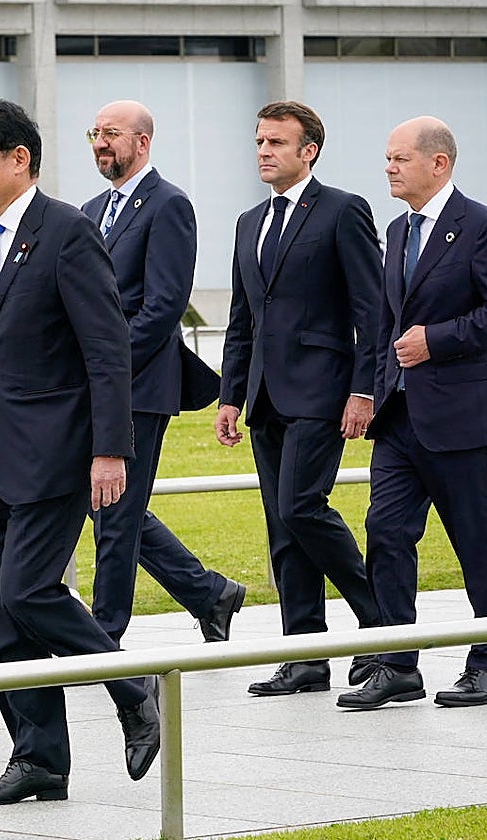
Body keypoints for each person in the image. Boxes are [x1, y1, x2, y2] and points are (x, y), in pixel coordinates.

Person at [0, 98, 159, 806]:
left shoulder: (67, 232)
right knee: (7, 616)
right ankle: (39, 760)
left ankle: (131, 685)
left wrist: (110, 450)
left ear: (18, 158)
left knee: (27, 590)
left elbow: (107, 348)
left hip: (56, 452)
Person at [216, 101, 382, 697]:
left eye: (277, 143)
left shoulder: (343, 210)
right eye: (260, 141)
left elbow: (372, 309)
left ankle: (382, 627)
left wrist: (364, 388)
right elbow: (242, 317)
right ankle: (305, 654)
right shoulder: (247, 222)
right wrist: (230, 395)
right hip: (264, 396)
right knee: (282, 527)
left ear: (308, 151)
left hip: (322, 390)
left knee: (301, 507)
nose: (263, 151)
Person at [81, 100, 243, 645]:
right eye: (94, 133)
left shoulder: (169, 204)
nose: (100, 143)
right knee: (106, 506)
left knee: (116, 513)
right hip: (95, 384)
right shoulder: (90, 209)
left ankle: (103, 639)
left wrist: (107, 367)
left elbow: (164, 305)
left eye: (111, 133)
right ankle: (209, 593)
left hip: (140, 383)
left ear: (142, 142)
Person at [339, 116, 487, 710]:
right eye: (388, 157)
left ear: (438, 163)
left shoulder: (477, 226)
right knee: (386, 533)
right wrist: (374, 392)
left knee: (476, 542)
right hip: (399, 419)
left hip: (462, 419)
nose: (389, 168)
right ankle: (398, 662)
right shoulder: (398, 230)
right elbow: (385, 324)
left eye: (400, 158)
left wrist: (438, 340)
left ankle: (485, 661)